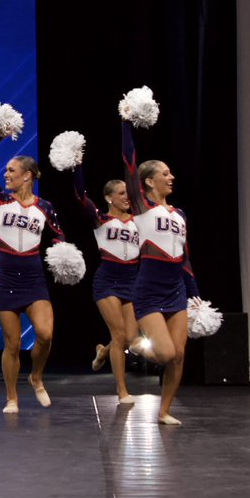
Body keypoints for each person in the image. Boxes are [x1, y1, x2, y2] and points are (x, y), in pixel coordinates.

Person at [0, 127, 67, 413]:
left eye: (12, 170)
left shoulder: (45, 208)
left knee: (45, 334)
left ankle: (36, 376)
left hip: (33, 278)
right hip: (5, 279)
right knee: (12, 344)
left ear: (27, 175)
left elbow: (59, 238)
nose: (6, 174)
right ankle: (12, 397)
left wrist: (63, 256)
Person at [122, 120, 196, 425]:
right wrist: (126, 123)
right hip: (149, 288)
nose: (171, 177)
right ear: (149, 182)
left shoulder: (179, 214)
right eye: (165, 173)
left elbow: (186, 256)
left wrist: (196, 294)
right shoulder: (141, 207)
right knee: (164, 354)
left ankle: (164, 411)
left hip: (176, 287)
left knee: (178, 355)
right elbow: (129, 163)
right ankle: (134, 344)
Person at [74, 166, 140, 404]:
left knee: (132, 338)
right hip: (108, 281)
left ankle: (103, 351)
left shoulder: (138, 222)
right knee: (119, 334)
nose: (127, 197)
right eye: (121, 193)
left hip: (132, 280)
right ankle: (122, 391)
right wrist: (77, 167)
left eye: (128, 193)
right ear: (109, 197)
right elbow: (81, 197)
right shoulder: (100, 219)